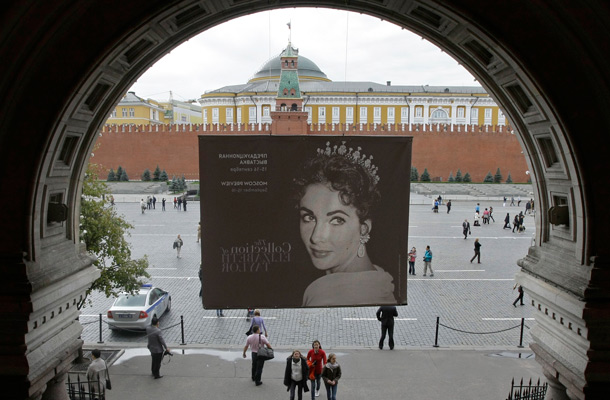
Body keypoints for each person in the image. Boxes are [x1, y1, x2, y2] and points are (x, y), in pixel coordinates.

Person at [293, 142, 396, 306]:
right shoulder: (376, 275)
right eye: (309, 217)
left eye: (337, 220)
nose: (316, 237)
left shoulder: (323, 296)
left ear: (364, 229)